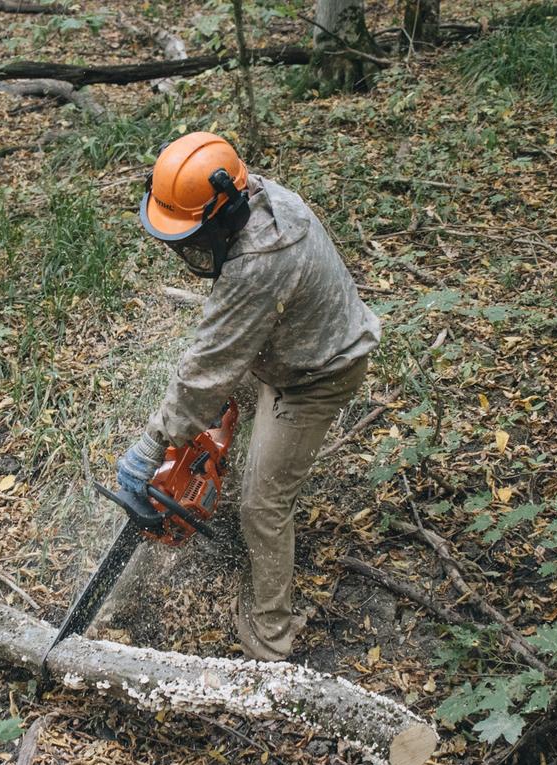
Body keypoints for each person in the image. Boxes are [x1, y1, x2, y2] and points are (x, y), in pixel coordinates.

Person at [116, 132, 382, 662]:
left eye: (193, 235)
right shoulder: (250, 193)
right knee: (202, 413)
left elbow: (207, 369)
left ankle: (269, 645)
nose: (186, 247)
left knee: (262, 505)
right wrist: (183, 428)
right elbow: (208, 367)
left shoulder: (261, 259)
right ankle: (212, 481)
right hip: (279, 343)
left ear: (225, 211)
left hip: (314, 375)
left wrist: (151, 445)